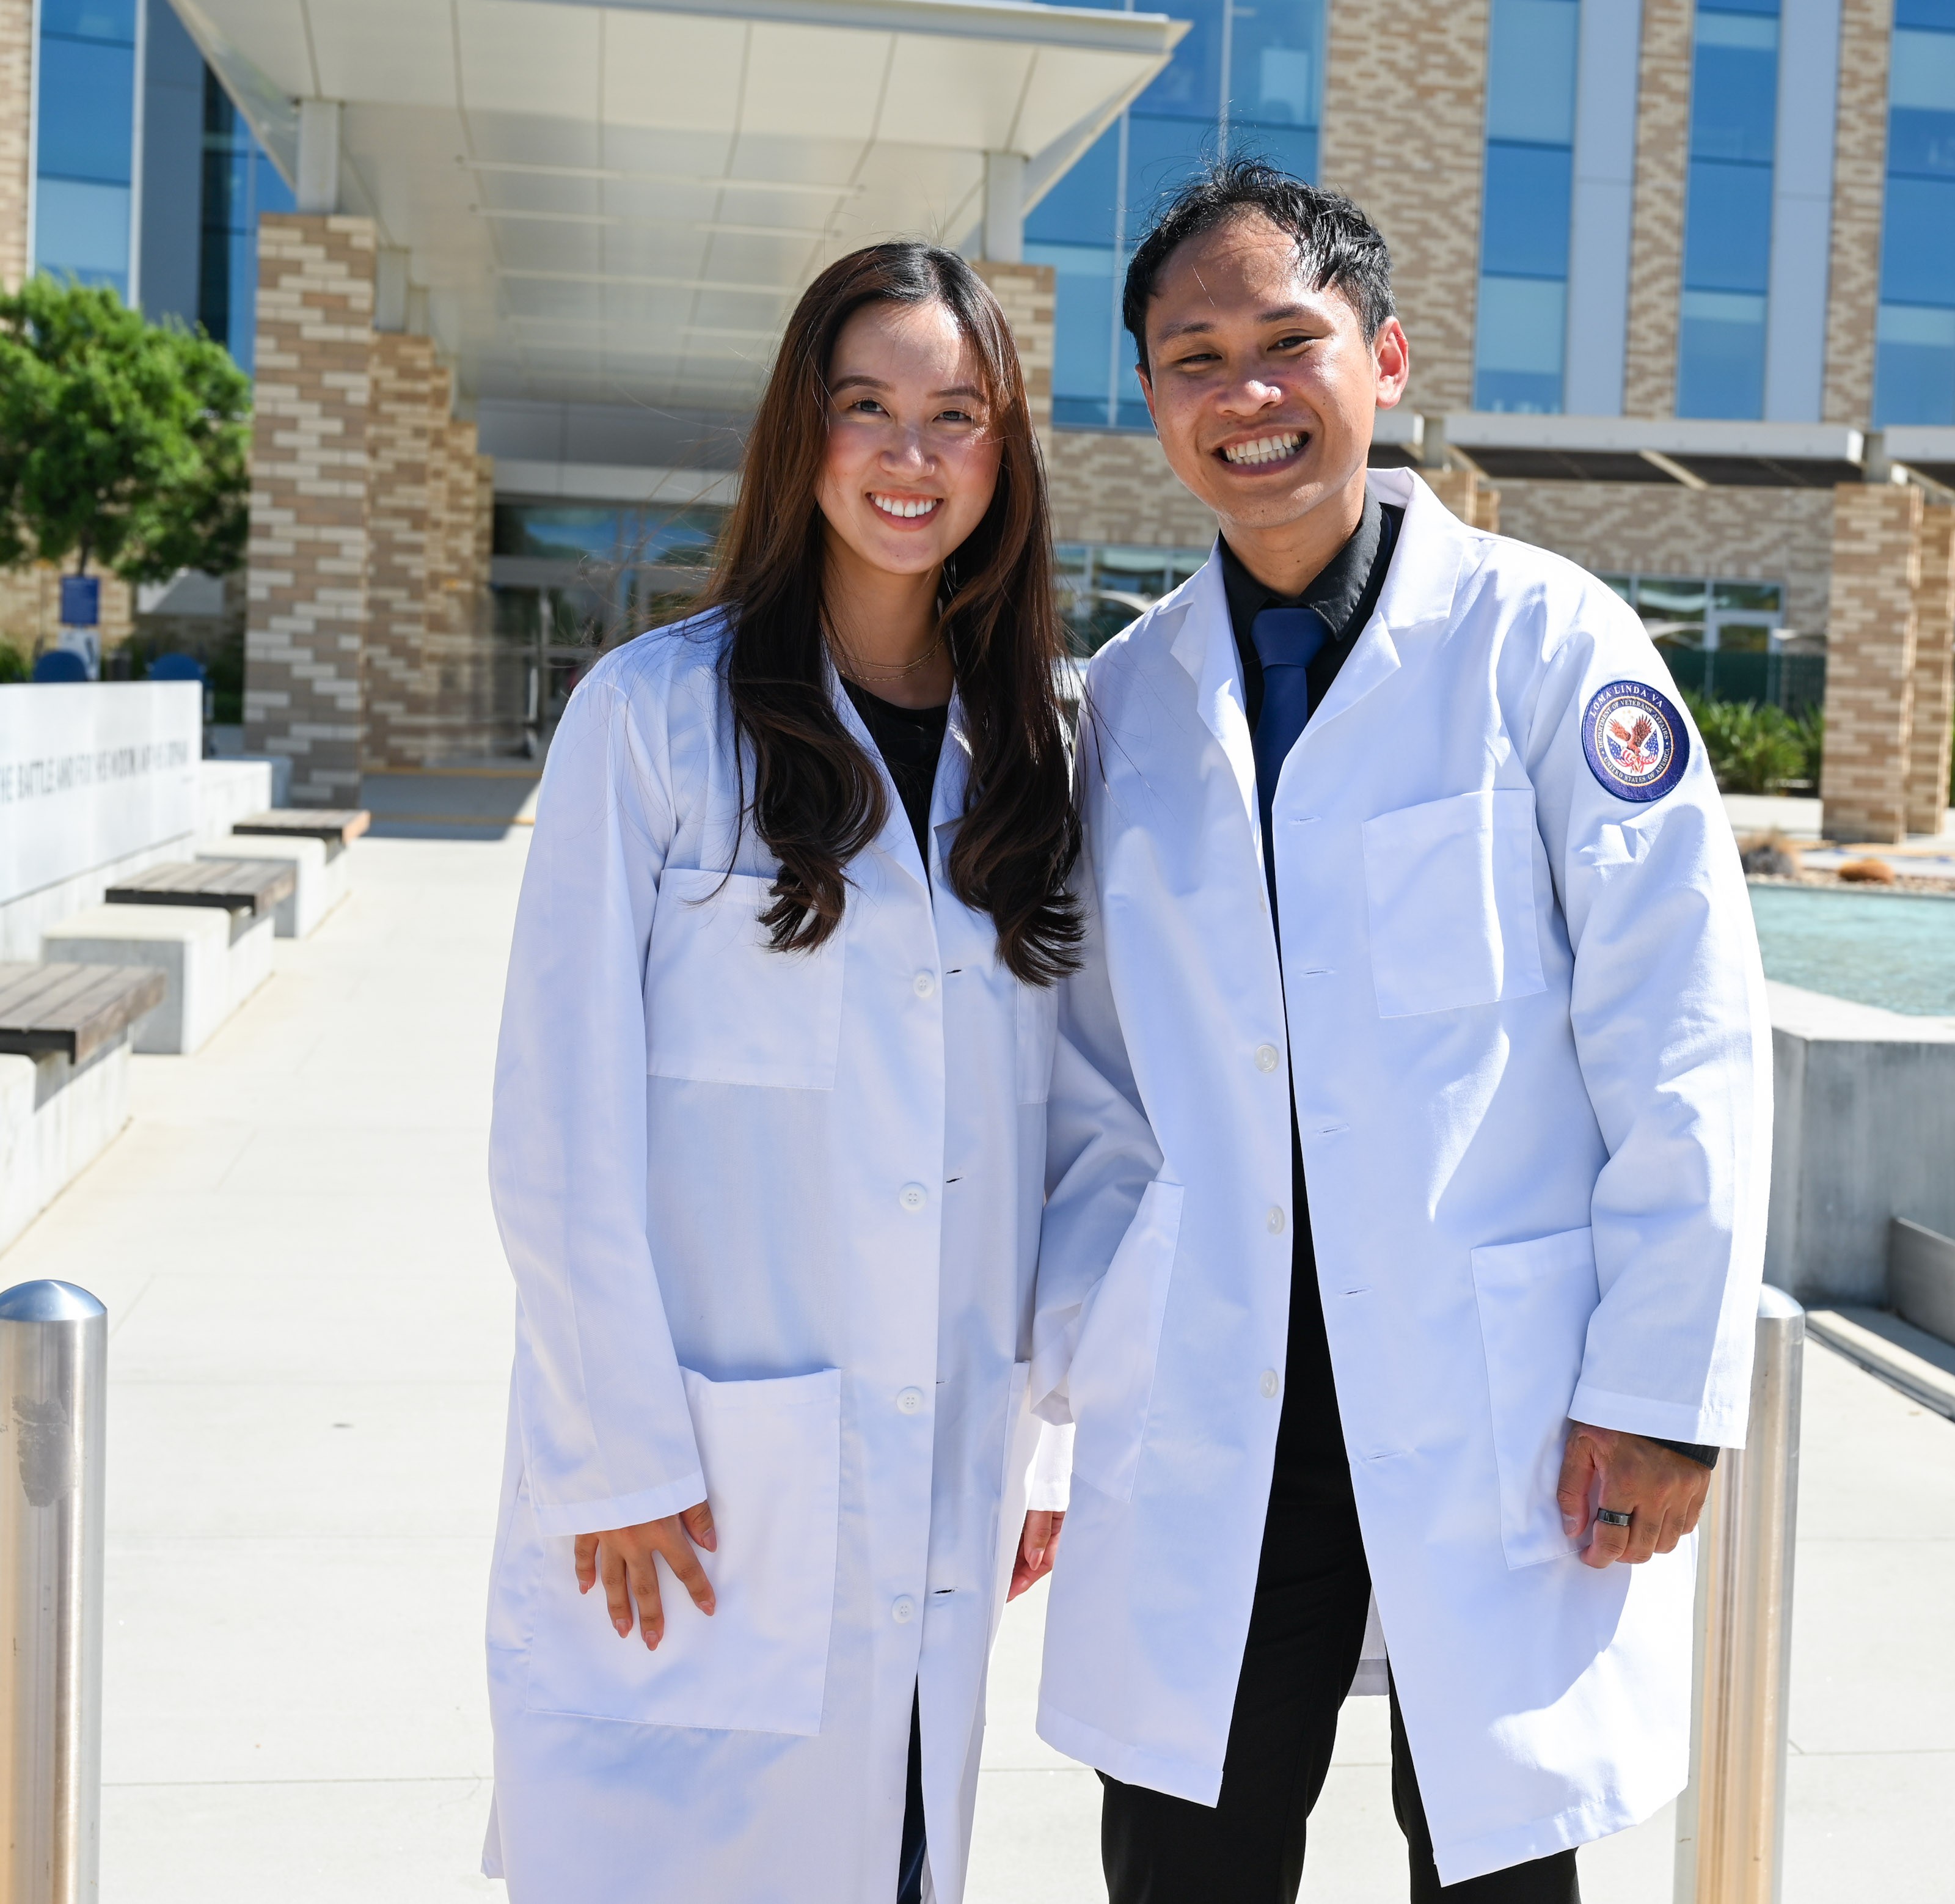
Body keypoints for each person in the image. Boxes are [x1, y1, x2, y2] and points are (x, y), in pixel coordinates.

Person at [1032, 162, 1770, 1901]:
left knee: (1496, 1860)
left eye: (1290, 342)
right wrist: (1093, 1334)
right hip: (1216, 1393)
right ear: (1150, 400)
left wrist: (1661, 1389)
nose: (1247, 395)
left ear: (1385, 359)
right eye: (1193, 357)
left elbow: (1679, 1025)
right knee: (1184, 1852)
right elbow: (1084, 1073)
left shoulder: (1541, 643)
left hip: (1496, 1392)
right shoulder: (1127, 704)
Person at [483, 241, 1077, 1904]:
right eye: (866, 408)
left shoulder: (1038, 754)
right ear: (798, 438)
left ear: (1004, 454)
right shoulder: (654, 720)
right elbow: (556, 1115)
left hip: (942, 1452)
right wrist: (618, 1446)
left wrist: (1045, 1443)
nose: (909, 455)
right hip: (687, 1479)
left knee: (887, 1851)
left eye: (954, 415)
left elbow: (1069, 1138)